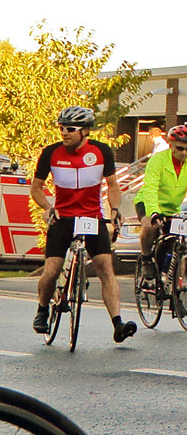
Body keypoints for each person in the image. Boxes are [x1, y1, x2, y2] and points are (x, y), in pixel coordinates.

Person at [30, 107, 135, 342]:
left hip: (91, 218)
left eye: (70, 129)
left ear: (85, 131)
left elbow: (114, 185)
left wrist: (115, 210)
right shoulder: (51, 153)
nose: (64, 133)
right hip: (63, 218)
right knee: (52, 270)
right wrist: (48, 208)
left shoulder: (101, 151)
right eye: (61, 128)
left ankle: (118, 323)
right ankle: (42, 309)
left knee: (106, 269)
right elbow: (36, 188)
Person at [135, 122, 187, 320]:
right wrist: (154, 212)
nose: (184, 152)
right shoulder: (158, 161)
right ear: (171, 145)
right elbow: (151, 188)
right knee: (149, 226)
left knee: (178, 250)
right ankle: (146, 259)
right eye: (180, 148)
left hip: (172, 208)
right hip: (148, 202)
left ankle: (174, 293)